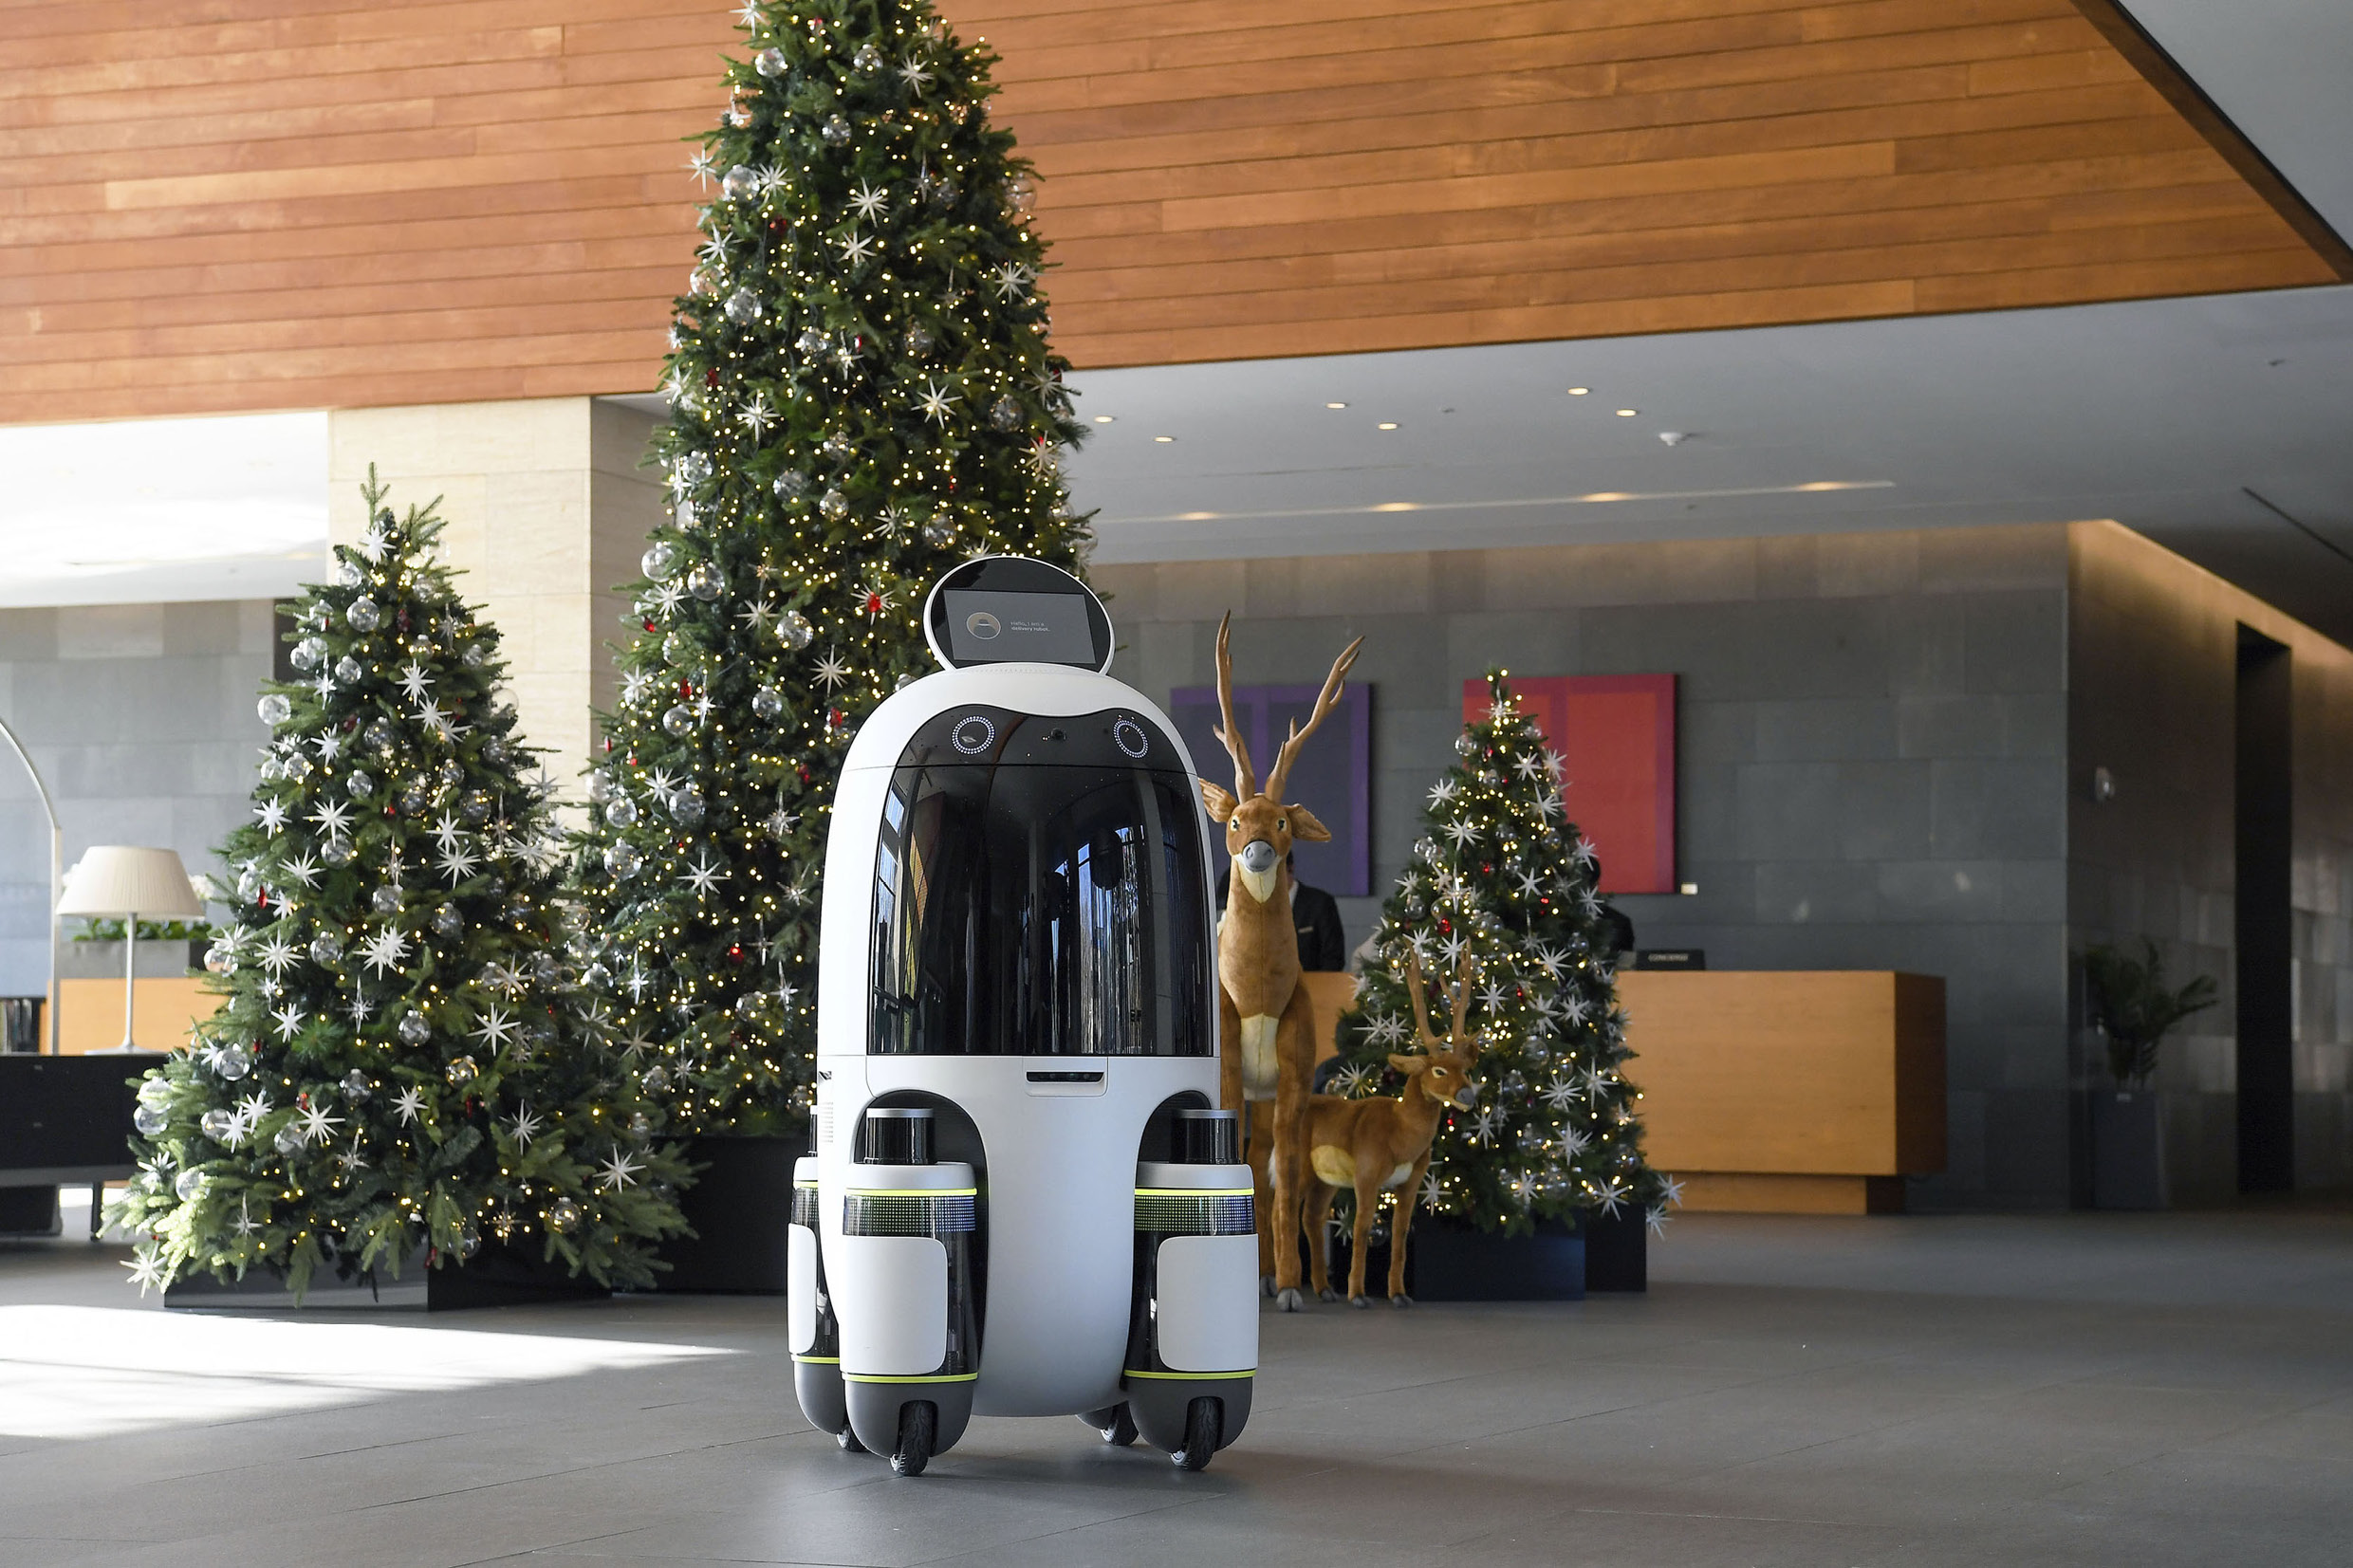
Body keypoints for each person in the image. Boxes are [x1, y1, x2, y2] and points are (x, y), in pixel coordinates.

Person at [1215, 852, 1347, 971]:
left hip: (1312, 987)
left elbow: (1333, 957)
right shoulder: (1254, 906)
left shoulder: (1320, 903)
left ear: (1290, 868)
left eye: (1274, 870)